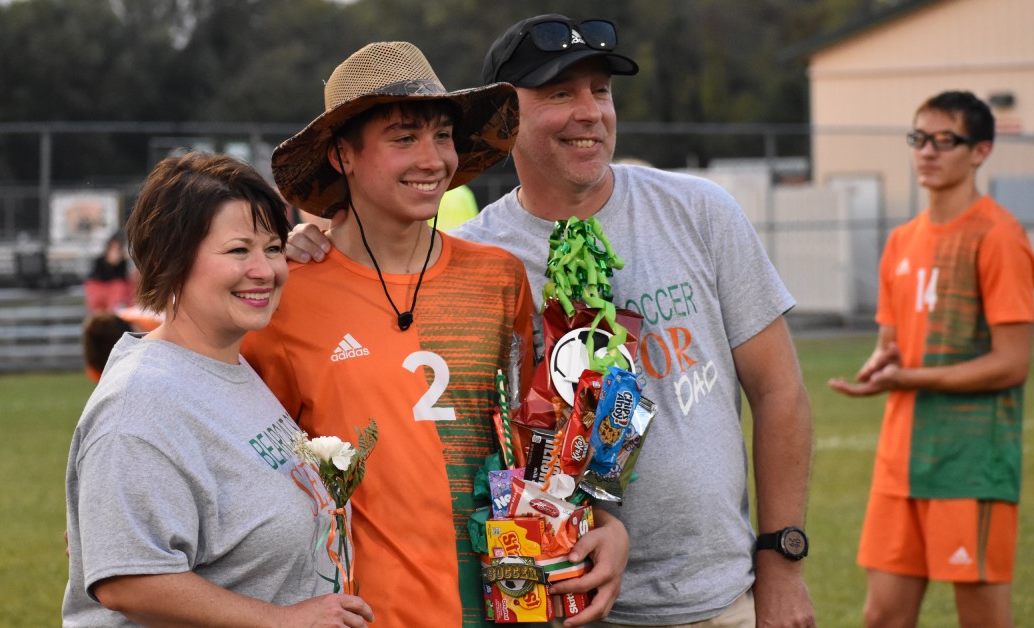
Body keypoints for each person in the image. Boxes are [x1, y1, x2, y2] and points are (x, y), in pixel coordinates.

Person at [287, 16, 816, 627]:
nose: (589, 112)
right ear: (509, 118)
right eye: (560, 94)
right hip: (555, 602)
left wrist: (782, 561)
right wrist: (312, 251)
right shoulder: (478, 263)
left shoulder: (700, 213)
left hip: (717, 597)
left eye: (601, 91)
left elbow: (780, 393)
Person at [241, 41, 629, 627]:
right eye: (404, 138)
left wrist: (603, 523)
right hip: (360, 614)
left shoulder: (498, 278)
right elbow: (243, 462)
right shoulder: (286, 298)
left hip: (509, 604)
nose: (432, 159)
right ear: (344, 155)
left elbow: (538, 446)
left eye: (441, 136)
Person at [62, 151, 373, 627]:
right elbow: (125, 578)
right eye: (238, 250)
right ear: (171, 259)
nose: (265, 270)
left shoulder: (227, 366)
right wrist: (282, 620)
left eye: (272, 247)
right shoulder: (141, 401)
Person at [829, 91, 1032, 628]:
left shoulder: (999, 238)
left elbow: (1013, 363)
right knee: (882, 617)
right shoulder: (900, 242)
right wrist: (879, 364)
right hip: (900, 464)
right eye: (920, 139)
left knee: (982, 620)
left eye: (946, 140)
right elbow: (891, 343)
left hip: (970, 464)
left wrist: (909, 377)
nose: (928, 152)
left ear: (981, 151)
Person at [83, 235, 133, 312]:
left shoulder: (122, 262)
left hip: (114, 292)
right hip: (100, 288)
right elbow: (97, 277)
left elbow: (122, 279)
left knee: (119, 287)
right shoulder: (100, 261)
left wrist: (116, 265)